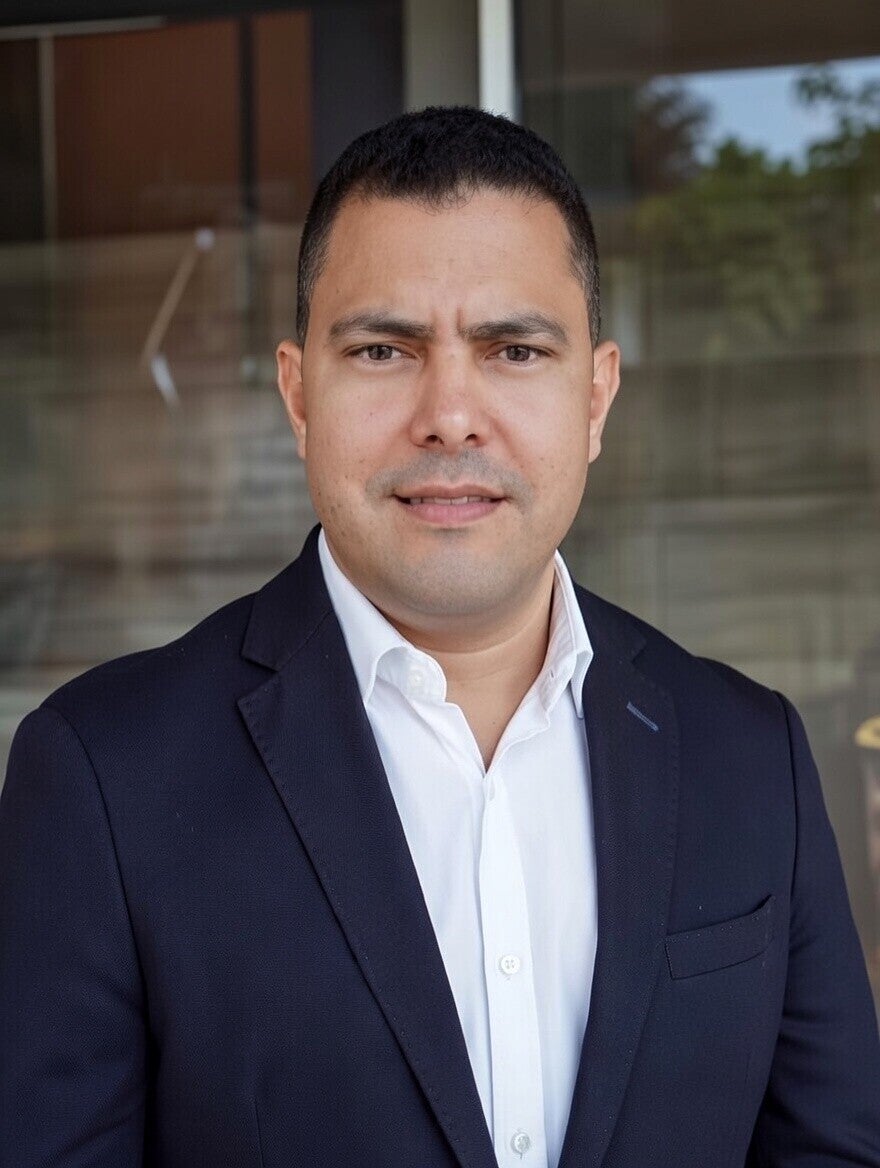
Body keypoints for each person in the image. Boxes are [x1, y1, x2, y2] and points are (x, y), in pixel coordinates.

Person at [1, 106, 878, 1168]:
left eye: (514, 349)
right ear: (298, 395)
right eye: (383, 349)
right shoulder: (103, 777)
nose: (450, 415)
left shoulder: (751, 755)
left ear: (595, 396)